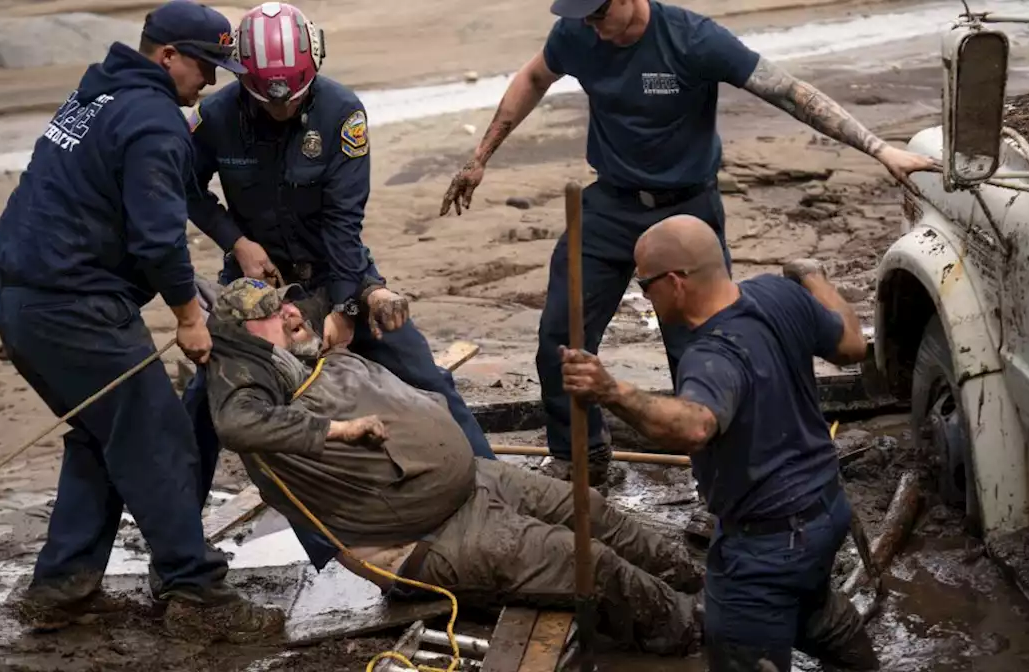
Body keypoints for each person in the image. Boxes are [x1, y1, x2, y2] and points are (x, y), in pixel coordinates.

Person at [439, 0, 938, 486]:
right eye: (582, 17)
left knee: (699, 348)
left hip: (686, 210)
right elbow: (533, 77)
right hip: (610, 205)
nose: (592, 27)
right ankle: (580, 458)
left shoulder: (693, 39)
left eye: (598, 13)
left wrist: (878, 148)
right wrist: (479, 156)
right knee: (560, 336)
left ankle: (715, 479)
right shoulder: (576, 32)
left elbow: (788, 92)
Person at [200, 276, 707, 656]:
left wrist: (364, 295)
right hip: (427, 538)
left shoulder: (303, 346)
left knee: (594, 511)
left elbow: (334, 284)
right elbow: (236, 425)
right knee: (589, 562)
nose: (290, 312)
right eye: (273, 312)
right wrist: (340, 431)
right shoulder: (249, 385)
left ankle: (701, 582)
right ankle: (700, 632)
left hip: (475, 480)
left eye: (284, 301)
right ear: (245, 337)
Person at [0, 0, 283, 643]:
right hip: (73, 305)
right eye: (204, 66)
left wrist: (232, 243)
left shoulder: (97, 94)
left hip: (20, 297)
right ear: (167, 55)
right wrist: (188, 316)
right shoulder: (154, 119)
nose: (210, 81)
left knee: (103, 436)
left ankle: (61, 588)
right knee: (159, 438)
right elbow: (157, 239)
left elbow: (159, 195)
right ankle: (195, 590)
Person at [181, 1, 494, 515]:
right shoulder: (215, 118)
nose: (281, 111)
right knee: (203, 408)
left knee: (428, 379)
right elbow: (186, 187)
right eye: (268, 103)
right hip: (257, 290)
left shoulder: (341, 112)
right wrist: (236, 241)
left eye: (291, 101)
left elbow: (344, 224)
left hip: (339, 270)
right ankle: (180, 550)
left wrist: (346, 310)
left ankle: (490, 488)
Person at [559, 215, 879, 670]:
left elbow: (694, 425)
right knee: (811, 606)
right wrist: (813, 278)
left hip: (765, 546)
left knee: (739, 646)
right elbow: (852, 345)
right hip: (826, 515)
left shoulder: (711, 355)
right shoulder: (782, 294)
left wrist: (611, 391)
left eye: (645, 284)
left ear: (675, 283)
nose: (645, 295)